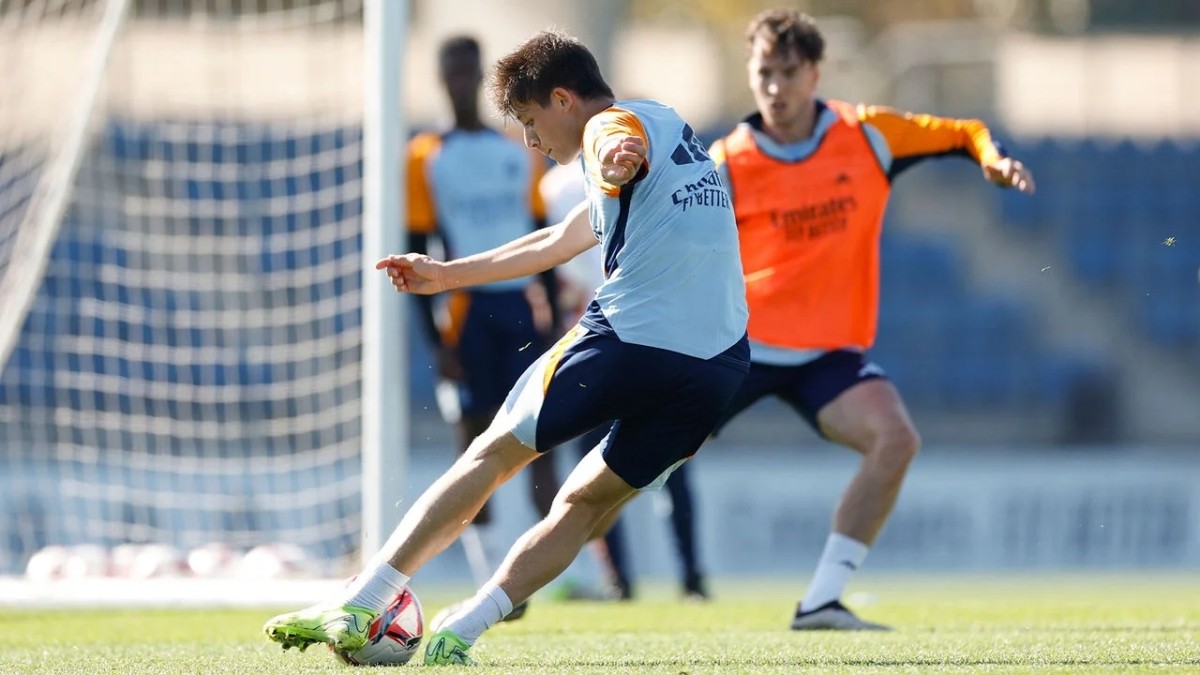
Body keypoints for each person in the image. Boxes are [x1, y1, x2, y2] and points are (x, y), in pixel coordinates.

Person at [262, 29, 749, 666]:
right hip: (718, 367)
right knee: (581, 506)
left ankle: (363, 601)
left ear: (563, 99)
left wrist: (614, 156)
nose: (529, 141)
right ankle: (459, 632)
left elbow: (611, 140)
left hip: (634, 337)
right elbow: (555, 241)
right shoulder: (670, 127)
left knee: (490, 455)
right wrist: (446, 274)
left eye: (529, 120)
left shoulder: (614, 129)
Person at [708, 9, 1036, 631]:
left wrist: (989, 159)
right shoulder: (725, 162)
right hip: (739, 347)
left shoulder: (868, 136)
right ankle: (549, 576)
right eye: (762, 74)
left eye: (787, 72)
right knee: (637, 463)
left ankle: (821, 601)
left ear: (814, 73)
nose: (774, 88)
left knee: (896, 439)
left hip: (827, 353)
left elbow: (965, 130)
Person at [405, 35, 562, 620]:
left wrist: (549, 314)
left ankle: (547, 571)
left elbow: (542, 231)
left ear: (481, 77)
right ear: (442, 79)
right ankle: (489, 573)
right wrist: (435, 340)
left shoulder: (517, 150)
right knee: (474, 444)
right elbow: (417, 246)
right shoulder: (425, 155)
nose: (462, 83)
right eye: (453, 74)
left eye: (470, 72)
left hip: (521, 309)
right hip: (466, 315)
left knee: (542, 438)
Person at [540, 160, 709, 602]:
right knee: (603, 472)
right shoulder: (556, 187)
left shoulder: (644, 166)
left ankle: (687, 576)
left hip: (643, 341)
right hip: (604, 344)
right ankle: (631, 579)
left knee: (667, 464)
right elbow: (558, 273)